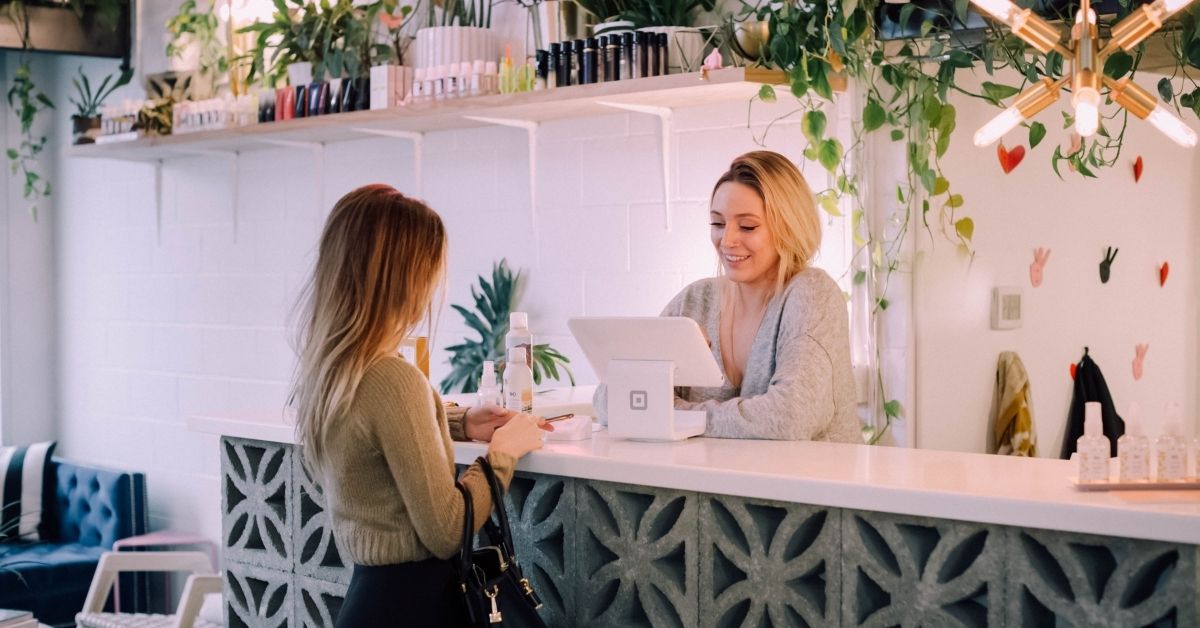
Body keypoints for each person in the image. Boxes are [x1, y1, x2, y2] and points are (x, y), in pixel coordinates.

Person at [290, 184, 550, 627]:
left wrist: (459, 422)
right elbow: (448, 529)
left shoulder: (332, 370)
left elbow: (373, 428)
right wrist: (504, 452)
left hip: (368, 601)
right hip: (417, 605)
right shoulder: (393, 378)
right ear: (405, 277)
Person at [596, 151, 861, 442]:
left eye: (747, 226)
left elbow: (790, 417)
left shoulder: (812, 294)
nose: (727, 240)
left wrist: (678, 416)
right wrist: (663, 361)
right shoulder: (696, 301)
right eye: (718, 224)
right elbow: (609, 402)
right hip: (719, 484)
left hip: (809, 485)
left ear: (789, 226)